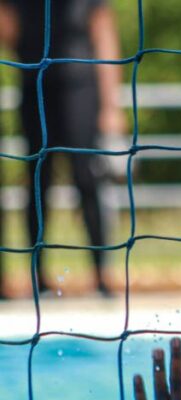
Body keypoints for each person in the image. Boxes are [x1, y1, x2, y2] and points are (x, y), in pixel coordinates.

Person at [0, 0, 124, 296]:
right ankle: (38, 274)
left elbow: (105, 35)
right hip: (35, 86)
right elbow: (8, 30)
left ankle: (101, 274)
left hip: (81, 86)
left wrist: (111, 106)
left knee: (86, 178)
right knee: (37, 180)